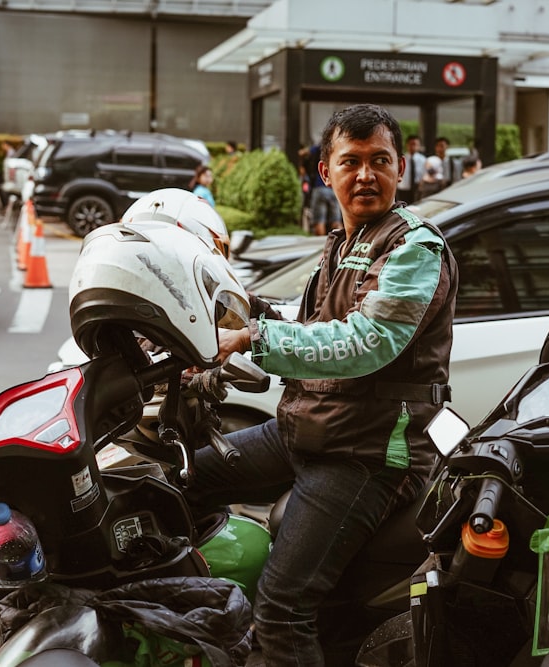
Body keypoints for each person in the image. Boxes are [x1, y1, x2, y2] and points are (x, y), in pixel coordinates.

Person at [192, 103, 459, 665]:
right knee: (177, 481)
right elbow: (314, 330)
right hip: (303, 433)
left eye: (379, 161)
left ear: (401, 168)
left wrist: (254, 338)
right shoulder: (340, 243)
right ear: (326, 171)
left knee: (283, 606)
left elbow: (366, 342)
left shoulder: (414, 247)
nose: (366, 175)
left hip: (367, 454)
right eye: (352, 161)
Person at [304, 143, 341, 235]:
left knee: (319, 221)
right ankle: (340, 245)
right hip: (333, 189)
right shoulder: (336, 146)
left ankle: (324, 246)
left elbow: (303, 153)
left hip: (319, 188)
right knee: (336, 220)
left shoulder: (318, 148)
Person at [396, 133, 425, 203]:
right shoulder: (400, 159)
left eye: (415, 144)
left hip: (417, 190)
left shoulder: (423, 160)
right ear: (407, 145)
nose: (413, 146)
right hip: (403, 189)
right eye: (411, 144)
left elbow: (424, 175)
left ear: (419, 146)